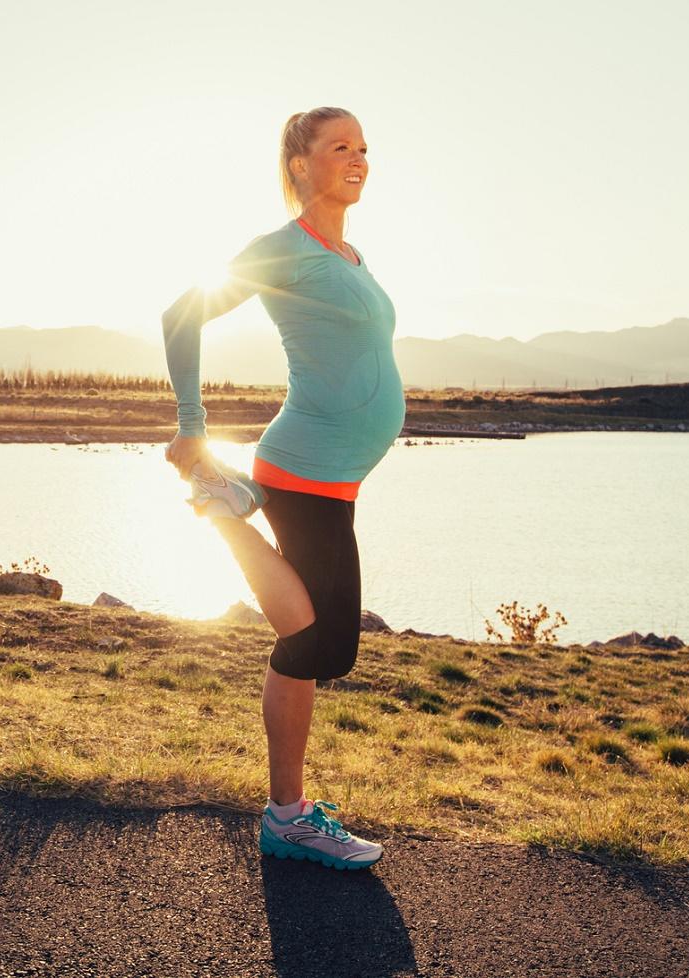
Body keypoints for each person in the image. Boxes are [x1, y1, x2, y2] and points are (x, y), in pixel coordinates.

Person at [161, 106, 407, 871]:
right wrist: (193, 424)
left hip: (333, 477)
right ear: (301, 165)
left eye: (364, 147)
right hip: (302, 464)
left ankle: (288, 815)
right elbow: (181, 314)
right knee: (316, 640)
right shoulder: (286, 249)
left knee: (315, 648)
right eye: (340, 147)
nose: (358, 158)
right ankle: (222, 508)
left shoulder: (351, 254)